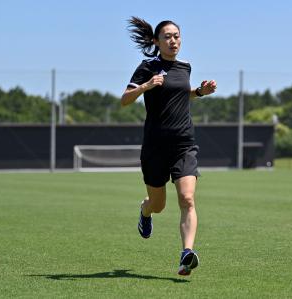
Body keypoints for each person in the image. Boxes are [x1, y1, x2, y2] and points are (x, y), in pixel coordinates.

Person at [121, 16, 217, 276]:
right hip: (155, 145)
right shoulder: (147, 67)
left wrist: (198, 92)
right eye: (167, 37)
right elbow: (124, 100)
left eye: (176, 36)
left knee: (187, 198)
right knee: (158, 204)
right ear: (156, 41)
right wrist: (146, 86)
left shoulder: (185, 67)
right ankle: (145, 210)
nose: (173, 41)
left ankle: (186, 254)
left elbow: (179, 94)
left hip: (184, 143)